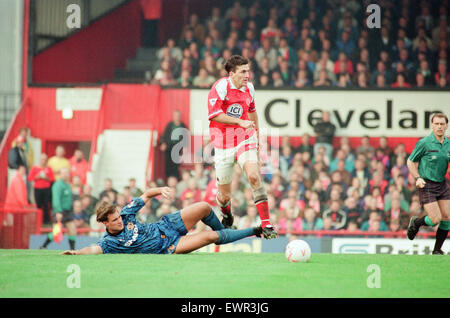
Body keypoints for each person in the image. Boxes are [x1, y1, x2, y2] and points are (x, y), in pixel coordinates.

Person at [61, 187, 264, 255]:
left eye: (118, 216)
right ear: (104, 223)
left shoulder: (125, 214)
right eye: (114, 220)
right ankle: (256, 230)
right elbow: (94, 249)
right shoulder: (109, 243)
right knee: (210, 237)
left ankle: (226, 228)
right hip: (168, 246)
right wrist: (76, 252)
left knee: (203, 206)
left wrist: (161, 190)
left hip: (166, 225)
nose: (119, 221)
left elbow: (147, 194)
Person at [206, 54, 277, 239]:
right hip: (223, 144)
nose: (247, 75)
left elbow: (253, 114)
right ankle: (227, 213)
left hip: (245, 139)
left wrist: (259, 141)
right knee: (223, 197)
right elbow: (214, 115)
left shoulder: (249, 88)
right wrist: (240, 122)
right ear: (232, 73)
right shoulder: (220, 87)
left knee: (254, 176)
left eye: (248, 70)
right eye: (243, 71)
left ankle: (267, 224)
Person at [406, 113, 450, 255]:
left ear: (446, 126)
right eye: (436, 124)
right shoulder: (424, 143)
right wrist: (417, 177)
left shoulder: (449, 144)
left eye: (442, 124)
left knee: (447, 217)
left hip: (442, 183)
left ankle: (437, 249)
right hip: (427, 184)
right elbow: (410, 161)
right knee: (435, 219)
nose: (439, 127)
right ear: (432, 125)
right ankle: (416, 223)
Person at [40, 168, 77, 250]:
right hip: (60, 211)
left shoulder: (67, 184)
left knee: (73, 230)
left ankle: (73, 250)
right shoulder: (57, 185)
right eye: (63, 173)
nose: (65, 175)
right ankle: (43, 246)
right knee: (56, 232)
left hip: (68, 211)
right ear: (60, 174)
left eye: (67, 173)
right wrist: (58, 211)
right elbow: (56, 199)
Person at [160, 109, 187, 180]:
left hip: (178, 148)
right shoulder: (169, 125)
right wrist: (163, 143)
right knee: (168, 164)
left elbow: (185, 137)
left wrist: (185, 146)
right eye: (175, 116)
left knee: (176, 164)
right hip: (169, 147)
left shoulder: (183, 126)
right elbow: (164, 135)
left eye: (178, 116)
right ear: (173, 116)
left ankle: (175, 179)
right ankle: (168, 179)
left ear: (180, 116)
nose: (177, 117)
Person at [28, 153, 54, 224]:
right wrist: (37, 177)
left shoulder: (49, 168)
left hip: (46, 189)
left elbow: (52, 179)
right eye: (42, 159)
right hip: (38, 189)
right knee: (38, 205)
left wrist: (46, 178)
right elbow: (30, 178)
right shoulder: (35, 168)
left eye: (45, 159)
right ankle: (38, 221)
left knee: (46, 205)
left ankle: (46, 220)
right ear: (40, 160)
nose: (43, 161)